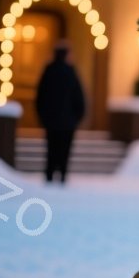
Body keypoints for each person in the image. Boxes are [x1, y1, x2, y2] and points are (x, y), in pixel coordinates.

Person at [35, 43, 87, 185]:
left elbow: (40, 96)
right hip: (67, 122)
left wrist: (42, 116)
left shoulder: (49, 71)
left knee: (51, 149)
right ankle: (62, 175)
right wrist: (77, 117)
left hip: (51, 121)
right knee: (64, 150)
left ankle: (50, 175)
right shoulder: (71, 72)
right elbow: (79, 97)